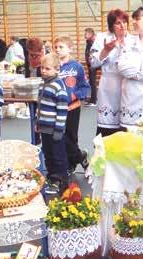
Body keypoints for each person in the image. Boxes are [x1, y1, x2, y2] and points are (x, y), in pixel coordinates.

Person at [90, 8, 130, 136]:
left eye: (124, 21)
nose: (122, 25)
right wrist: (105, 50)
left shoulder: (133, 39)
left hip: (128, 85)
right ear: (111, 25)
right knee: (107, 124)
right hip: (109, 86)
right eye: (118, 23)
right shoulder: (102, 37)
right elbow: (93, 63)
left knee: (126, 124)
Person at [53, 36, 91, 174]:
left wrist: (75, 95)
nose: (57, 50)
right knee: (60, 137)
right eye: (55, 47)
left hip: (72, 107)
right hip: (57, 108)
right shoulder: (53, 66)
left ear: (70, 49)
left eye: (61, 47)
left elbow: (85, 86)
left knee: (71, 137)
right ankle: (81, 157)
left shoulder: (77, 67)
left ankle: (71, 164)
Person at [36, 53, 69, 194]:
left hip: (55, 130)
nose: (43, 71)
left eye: (47, 68)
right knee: (48, 154)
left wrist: (59, 130)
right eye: (42, 68)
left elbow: (62, 110)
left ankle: (60, 180)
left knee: (58, 155)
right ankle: (51, 176)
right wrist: (38, 123)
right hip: (45, 128)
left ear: (57, 69)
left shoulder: (57, 86)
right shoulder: (44, 84)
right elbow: (41, 107)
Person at [84, 27, 99, 106]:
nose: (84, 35)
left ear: (91, 34)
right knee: (91, 82)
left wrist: (92, 60)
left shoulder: (94, 42)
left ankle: (93, 101)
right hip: (90, 64)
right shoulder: (88, 41)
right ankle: (94, 98)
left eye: (86, 33)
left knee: (92, 82)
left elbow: (95, 52)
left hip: (93, 64)